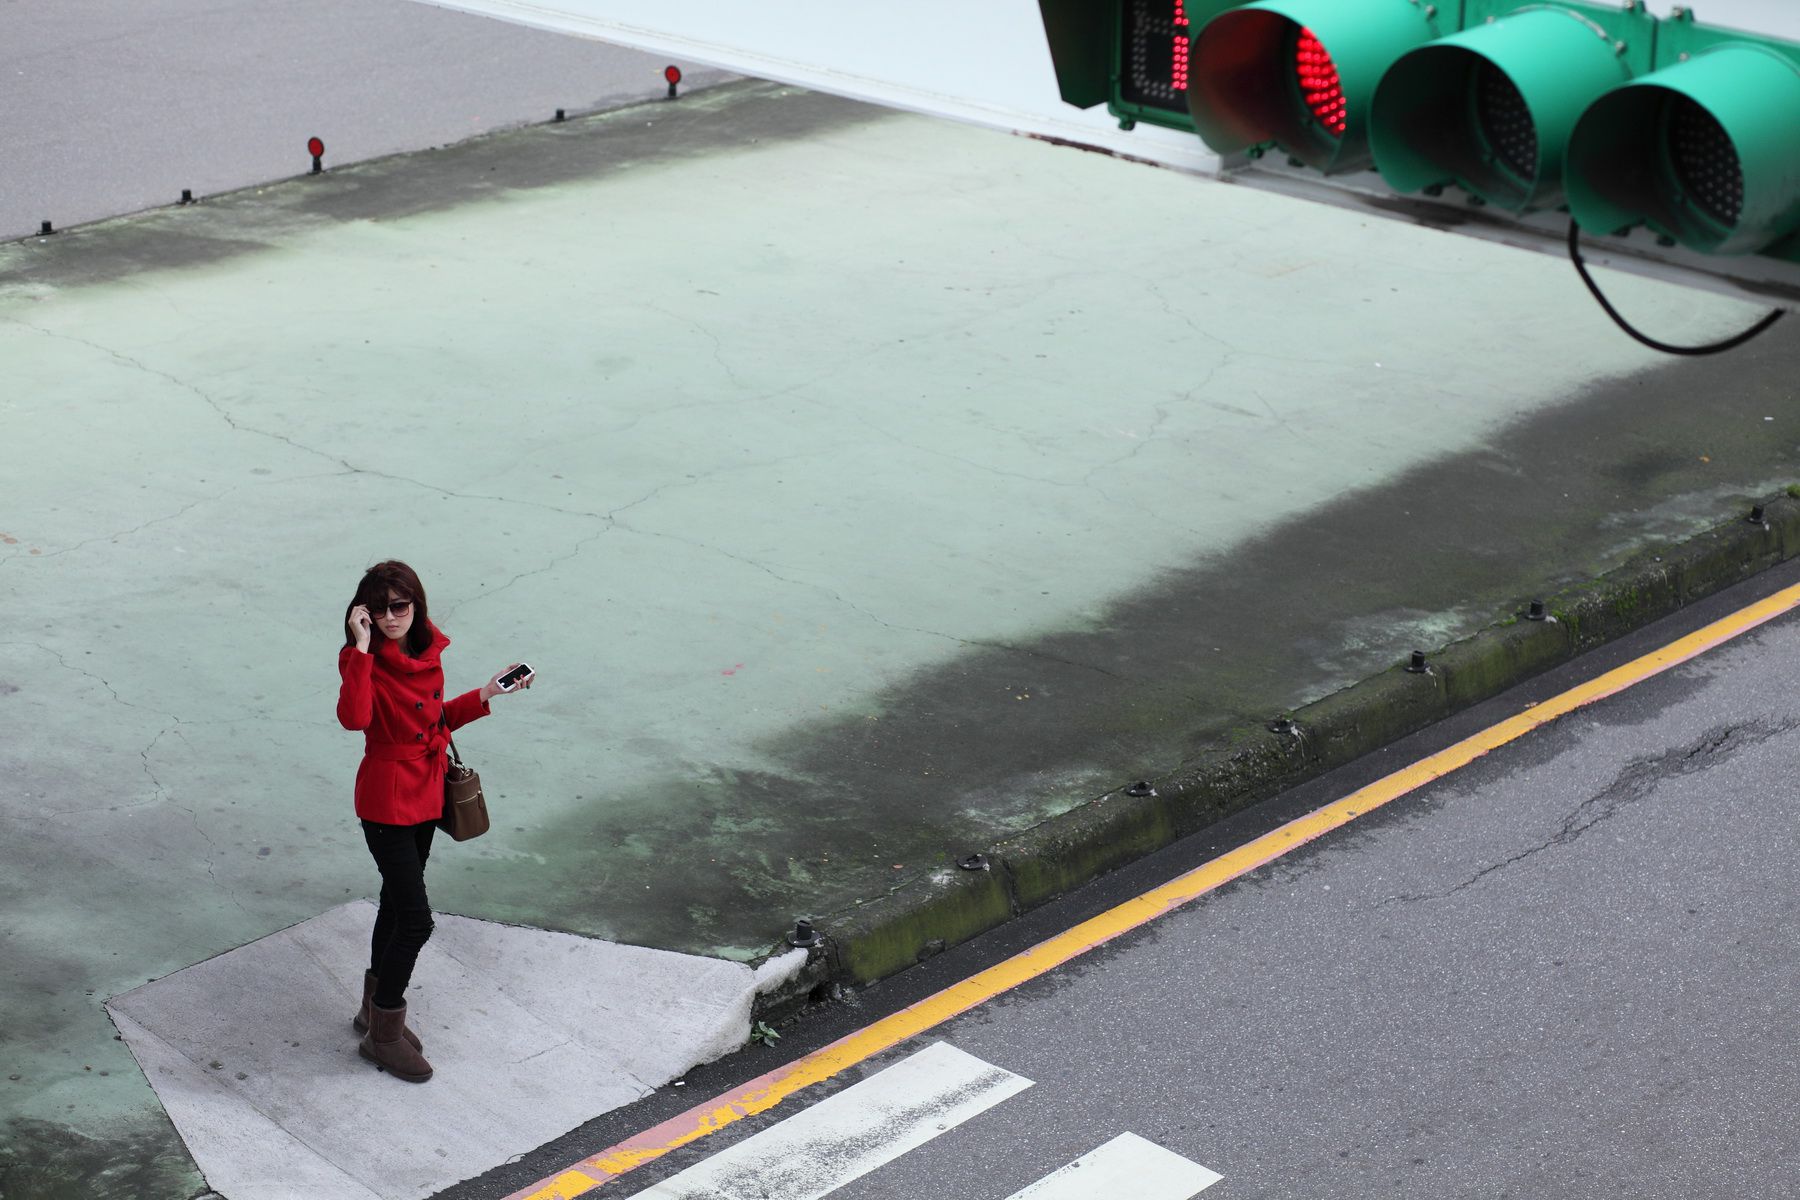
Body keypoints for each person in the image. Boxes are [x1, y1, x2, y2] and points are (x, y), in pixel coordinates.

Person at [336, 560, 531, 1083]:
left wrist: (489, 692)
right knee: (417, 920)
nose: (390, 617)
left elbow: (436, 718)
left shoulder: (427, 652)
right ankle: (385, 1034)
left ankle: (370, 1012)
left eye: (400, 606)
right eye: (378, 610)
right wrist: (358, 648)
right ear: (364, 615)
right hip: (386, 802)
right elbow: (354, 718)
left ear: (416, 605)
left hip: (426, 794)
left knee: (396, 904)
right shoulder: (364, 661)